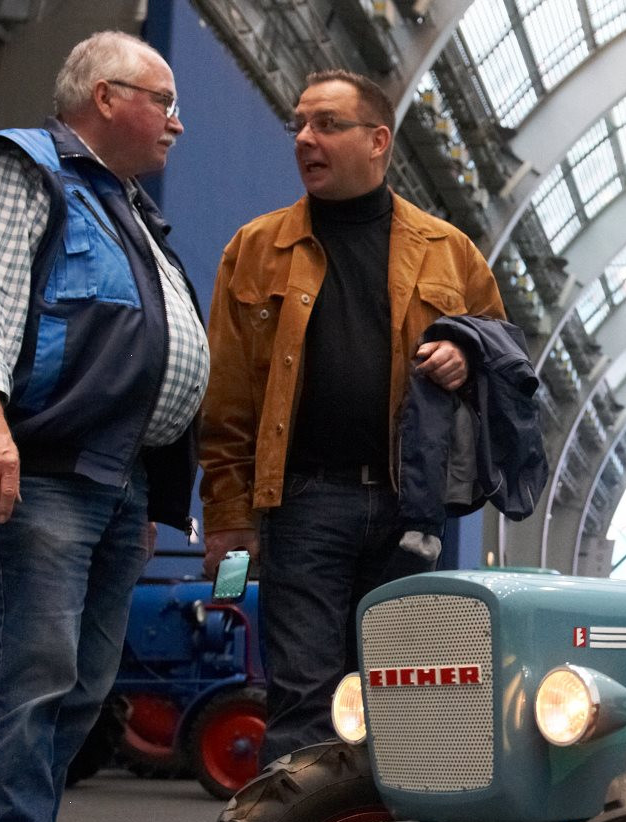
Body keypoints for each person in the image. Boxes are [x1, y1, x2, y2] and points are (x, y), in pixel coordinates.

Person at [0, 31, 207, 822]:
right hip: (44, 470)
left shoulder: (122, 204)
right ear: (102, 94)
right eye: (163, 99)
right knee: (33, 679)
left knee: (79, 693)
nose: (178, 120)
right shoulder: (25, 168)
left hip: (114, 482)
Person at [199, 69, 506, 765]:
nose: (306, 138)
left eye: (327, 124)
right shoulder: (255, 248)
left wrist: (467, 352)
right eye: (299, 125)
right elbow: (228, 399)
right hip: (304, 502)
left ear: (377, 141)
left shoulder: (448, 251)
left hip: (409, 509)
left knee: (395, 696)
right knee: (303, 697)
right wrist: (227, 514)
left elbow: (504, 356)